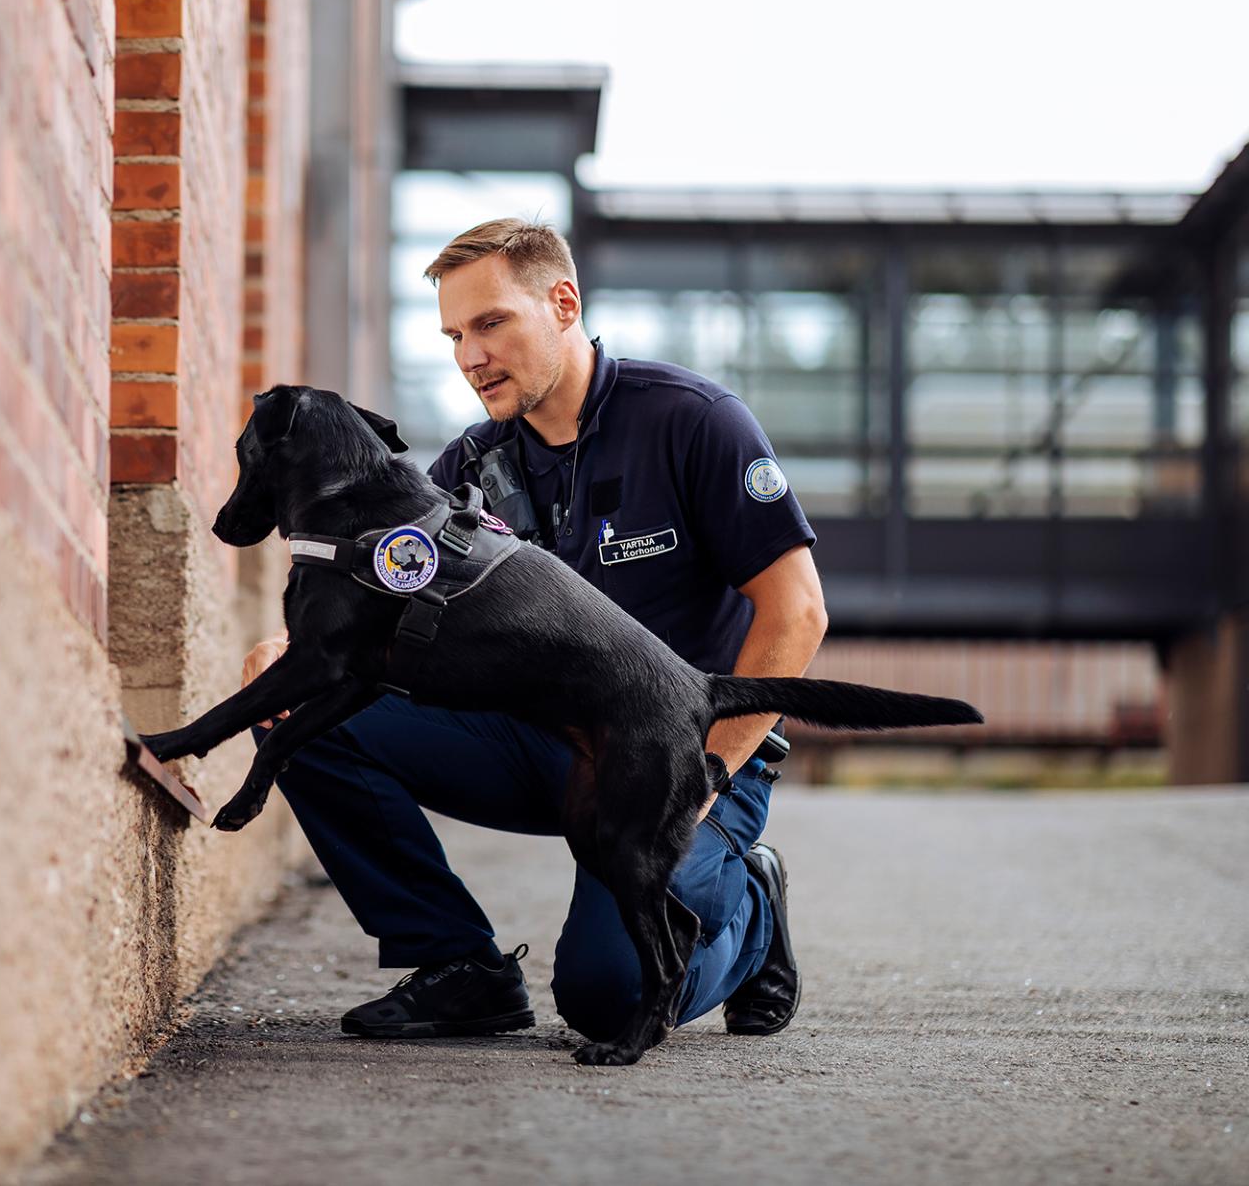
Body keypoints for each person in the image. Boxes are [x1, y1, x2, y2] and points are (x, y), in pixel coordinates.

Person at [245, 218, 825, 1044]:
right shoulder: (465, 471)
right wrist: (294, 658)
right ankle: (458, 967)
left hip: (680, 759)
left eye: (490, 324)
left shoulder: (694, 422)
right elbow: (372, 610)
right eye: (453, 334)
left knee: (608, 999)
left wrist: (707, 777)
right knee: (295, 716)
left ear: (562, 303)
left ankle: (752, 919)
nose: (469, 356)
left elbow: (798, 612)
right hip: (533, 746)